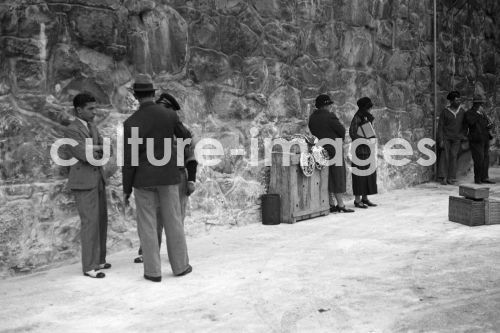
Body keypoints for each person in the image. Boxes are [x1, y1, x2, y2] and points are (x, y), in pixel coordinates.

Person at [123, 74, 192, 282]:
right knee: (174, 222)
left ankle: (152, 272)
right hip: (169, 177)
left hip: (143, 180)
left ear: (136, 96)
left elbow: (130, 160)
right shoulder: (169, 116)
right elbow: (186, 137)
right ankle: (180, 267)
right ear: (153, 94)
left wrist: (126, 188)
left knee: (147, 225)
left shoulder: (131, 123)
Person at [134, 92, 198, 264]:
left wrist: (191, 180)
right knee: (152, 217)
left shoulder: (183, 131)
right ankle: (147, 252)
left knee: (176, 217)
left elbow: (191, 158)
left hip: (177, 178)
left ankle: (176, 254)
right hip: (153, 177)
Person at [65, 93, 110, 278]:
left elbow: (108, 148)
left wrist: (96, 148)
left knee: (101, 220)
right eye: (90, 109)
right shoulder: (71, 130)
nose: (95, 112)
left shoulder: (92, 127)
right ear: (79, 110)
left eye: (95, 107)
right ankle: (89, 266)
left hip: (98, 178)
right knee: (89, 222)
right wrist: (98, 148)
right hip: (83, 182)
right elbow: (84, 154)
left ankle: (99, 260)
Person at [309, 94, 354, 213]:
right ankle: (341, 205)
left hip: (320, 150)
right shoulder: (330, 116)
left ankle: (330, 204)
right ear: (325, 105)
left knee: (326, 176)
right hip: (334, 148)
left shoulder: (312, 118)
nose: (330, 107)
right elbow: (342, 130)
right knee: (337, 176)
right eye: (329, 105)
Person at [349, 97, 378, 208]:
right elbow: (352, 133)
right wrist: (364, 140)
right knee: (359, 176)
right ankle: (357, 200)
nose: (370, 109)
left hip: (368, 150)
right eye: (369, 107)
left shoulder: (366, 117)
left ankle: (365, 198)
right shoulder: (357, 117)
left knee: (368, 175)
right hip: (360, 151)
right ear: (364, 108)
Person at [463, 94, 495, 184]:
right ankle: (477, 179)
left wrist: (489, 125)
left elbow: (486, 124)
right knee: (478, 159)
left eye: (481, 103)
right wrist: (478, 113)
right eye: (479, 103)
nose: (481, 105)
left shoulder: (482, 113)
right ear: (475, 104)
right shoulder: (469, 113)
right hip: (476, 140)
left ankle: (485, 177)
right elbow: (471, 122)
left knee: (486, 158)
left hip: (485, 139)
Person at [437, 91, 465, 185]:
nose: (459, 102)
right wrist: (440, 139)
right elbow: (440, 127)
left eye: (459, 100)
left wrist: (463, 135)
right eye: (457, 100)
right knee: (444, 156)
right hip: (446, 138)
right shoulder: (445, 112)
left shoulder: (462, 112)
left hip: (457, 139)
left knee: (453, 156)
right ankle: (443, 177)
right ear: (452, 101)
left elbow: (465, 125)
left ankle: (451, 177)